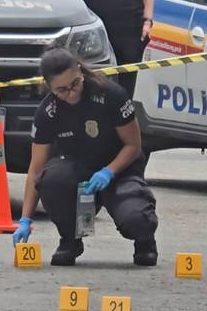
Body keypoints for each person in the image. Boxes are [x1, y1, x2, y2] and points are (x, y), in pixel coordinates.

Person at [12, 48, 159, 267]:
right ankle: (70, 240)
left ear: (80, 71)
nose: (71, 94)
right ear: (49, 86)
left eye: (75, 84)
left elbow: (133, 145)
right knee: (50, 180)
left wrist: (109, 172)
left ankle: (145, 241)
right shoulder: (48, 111)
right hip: (79, 171)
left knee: (134, 218)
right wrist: (25, 219)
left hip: (120, 169)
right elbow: (36, 169)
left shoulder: (111, 95)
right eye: (62, 90)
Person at [73, 0, 155, 97]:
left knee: (126, 80)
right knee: (91, 76)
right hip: (96, 28)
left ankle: (123, 105)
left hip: (131, 30)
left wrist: (147, 21)